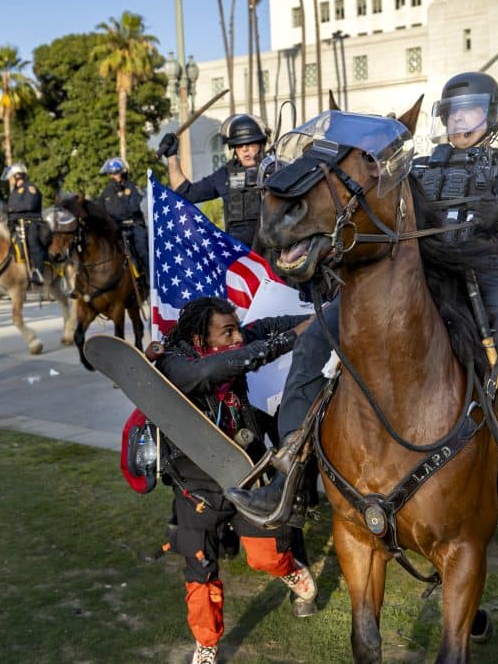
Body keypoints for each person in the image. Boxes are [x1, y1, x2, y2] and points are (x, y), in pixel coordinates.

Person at [229, 72, 498, 556]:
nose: (459, 121)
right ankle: (287, 469)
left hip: (488, 272)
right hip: (421, 274)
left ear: (491, 116)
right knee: (313, 340)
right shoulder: (419, 167)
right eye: (452, 113)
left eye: (469, 111)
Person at [154, 296, 317, 664]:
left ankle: (291, 570)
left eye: (237, 329)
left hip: (247, 473)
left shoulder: (236, 338)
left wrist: (318, 318)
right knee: (200, 573)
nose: (237, 339)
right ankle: (207, 644)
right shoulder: (173, 363)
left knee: (266, 559)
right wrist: (288, 339)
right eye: (226, 333)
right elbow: (208, 373)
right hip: (195, 487)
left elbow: (271, 324)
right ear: (200, 340)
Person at [158, 114, 270, 248]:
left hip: (271, 251)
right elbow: (185, 193)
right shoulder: (225, 174)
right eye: (239, 145)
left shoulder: (275, 171)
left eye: (250, 143)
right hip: (238, 255)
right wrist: (171, 157)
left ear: (260, 144)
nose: (244, 149)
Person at [98, 157, 149, 289]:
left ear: (123, 172)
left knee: (143, 251)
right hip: (118, 229)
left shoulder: (132, 187)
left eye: (118, 172)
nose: (116, 176)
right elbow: (102, 211)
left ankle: (151, 282)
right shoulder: (106, 192)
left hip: (135, 225)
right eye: (113, 173)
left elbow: (133, 208)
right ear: (109, 174)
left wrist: (124, 196)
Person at [3, 163, 46, 285]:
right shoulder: (14, 192)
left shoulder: (30, 188)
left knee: (33, 244)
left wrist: (10, 208)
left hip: (31, 224)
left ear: (18, 176)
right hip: (16, 225)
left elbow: (29, 205)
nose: (9, 180)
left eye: (11, 177)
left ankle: (39, 273)